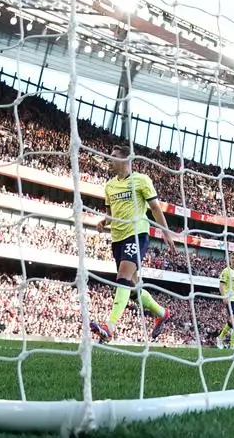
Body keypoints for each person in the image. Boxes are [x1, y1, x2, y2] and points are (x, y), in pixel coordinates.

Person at [89, 146, 175, 343]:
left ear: (126, 160)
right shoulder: (109, 185)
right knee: (133, 288)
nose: (109, 160)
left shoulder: (142, 180)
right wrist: (104, 221)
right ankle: (162, 313)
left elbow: (154, 208)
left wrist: (166, 233)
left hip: (137, 234)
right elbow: (111, 213)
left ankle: (109, 327)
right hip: (117, 238)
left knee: (123, 278)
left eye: (113, 157)